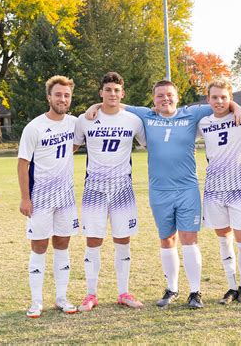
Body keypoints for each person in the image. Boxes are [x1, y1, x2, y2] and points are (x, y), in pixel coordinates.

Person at [86, 79, 241, 309]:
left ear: (177, 96)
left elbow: (221, 101)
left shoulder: (191, 114)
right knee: (166, 239)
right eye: (160, 95)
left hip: (187, 189)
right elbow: (114, 103)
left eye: (169, 94)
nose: (165, 99)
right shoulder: (145, 115)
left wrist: (237, 107)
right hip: (159, 191)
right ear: (153, 99)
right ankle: (171, 289)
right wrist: (93, 106)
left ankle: (195, 292)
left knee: (189, 239)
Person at [75, 72, 146, 312]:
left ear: (122, 94)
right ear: (101, 93)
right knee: (93, 240)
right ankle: (90, 294)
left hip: (122, 188)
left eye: (116, 90)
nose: (112, 94)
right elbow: (71, 148)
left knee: (122, 240)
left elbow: (150, 144)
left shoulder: (133, 120)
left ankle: (123, 292)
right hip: (94, 187)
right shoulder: (85, 119)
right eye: (108, 90)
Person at [197, 78, 241, 305]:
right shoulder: (203, 122)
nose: (219, 101)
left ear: (231, 98)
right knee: (223, 240)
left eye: (224, 97)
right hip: (214, 191)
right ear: (208, 99)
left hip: (238, 189)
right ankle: (230, 286)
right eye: (214, 97)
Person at [17, 75, 79, 318]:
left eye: (66, 95)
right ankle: (36, 301)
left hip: (65, 196)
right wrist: (25, 198)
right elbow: (23, 165)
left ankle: (62, 297)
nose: (63, 99)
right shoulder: (34, 127)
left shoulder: (74, 122)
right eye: (58, 94)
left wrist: (95, 107)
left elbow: (94, 119)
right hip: (40, 196)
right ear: (49, 97)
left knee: (63, 244)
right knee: (39, 246)